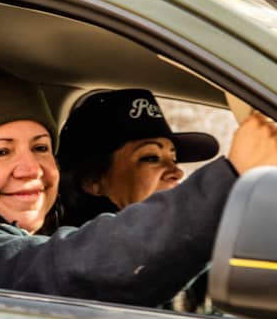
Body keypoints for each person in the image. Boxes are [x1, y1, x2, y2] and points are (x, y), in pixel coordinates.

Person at [0, 57, 277, 306]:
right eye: (1, 152)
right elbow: (64, 270)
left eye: (41, 147)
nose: (31, 169)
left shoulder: (14, 244)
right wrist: (229, 179)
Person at [56, 89, 220, 227]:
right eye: (151, 158)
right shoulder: (81, 251)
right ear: (92, 181)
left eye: (174, 159)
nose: (177, 173)